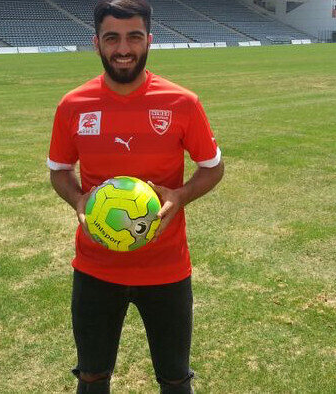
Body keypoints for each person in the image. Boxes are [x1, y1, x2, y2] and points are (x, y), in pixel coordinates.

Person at [47, 1, 224, 392]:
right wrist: (78, 201)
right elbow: (59, 171)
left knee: (175, 378)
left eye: (133, 37)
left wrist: (179, 196)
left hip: (166, 267)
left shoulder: (182, 102)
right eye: (112, 38)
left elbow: (212, 166)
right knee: (92, 375)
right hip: (95, 268)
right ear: (96, 44)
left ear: (149, 41)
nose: (123, 48)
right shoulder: (73, 105)